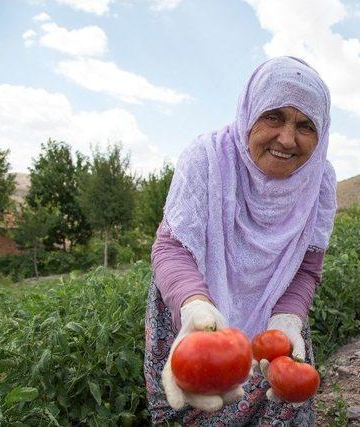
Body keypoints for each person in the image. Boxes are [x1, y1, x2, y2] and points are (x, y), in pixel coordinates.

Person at [144, 56, 337, 426]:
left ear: (322, 132)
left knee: (279, 407)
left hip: (274, 325)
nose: (287, 138)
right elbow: (171, 248)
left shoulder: (320, 181)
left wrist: (287, 318)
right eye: (273, 116)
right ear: (250, 112)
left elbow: (307, 267)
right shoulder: (207, 158)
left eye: (305, 125)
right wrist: (194, 306)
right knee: (194, 407)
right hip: (192, 310)